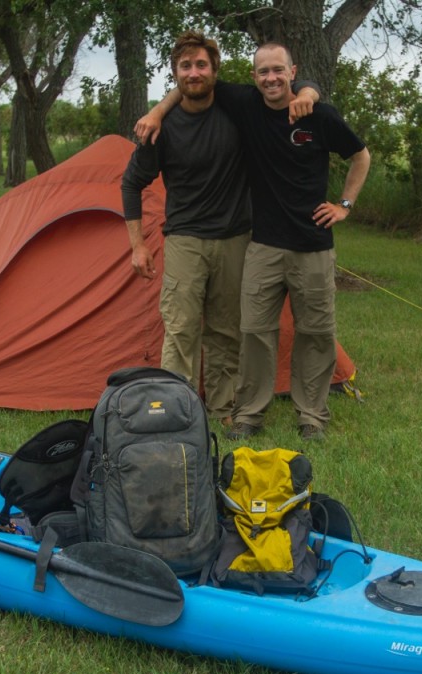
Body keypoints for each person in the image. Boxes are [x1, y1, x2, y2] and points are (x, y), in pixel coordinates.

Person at [138, 42, 370, 441]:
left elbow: (361, 156)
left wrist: (344, 204)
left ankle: (311, 415)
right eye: (263, 72)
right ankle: (249, 414)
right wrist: (158, 110)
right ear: (253, 77)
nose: (271, 78)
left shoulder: (318, 115)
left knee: (315, 332)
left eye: (278, 70)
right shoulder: (246, 105)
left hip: (314, 244)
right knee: (254, 334)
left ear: (292, 71)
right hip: (261, 243)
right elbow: (194, 82)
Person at [122, 31, 319, 423]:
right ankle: (177, 411)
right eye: (185, 66)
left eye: (201, 65)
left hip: (235, 238)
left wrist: (308, 92)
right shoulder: (161, 127)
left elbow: (284, 88)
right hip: (184, 239)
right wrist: (137, 246)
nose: (194, 73)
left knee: (227, 332)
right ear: (175, 73)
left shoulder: (239, 109)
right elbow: (131, 183)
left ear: (215, 70)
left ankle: (223, 407)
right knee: (180, 330)